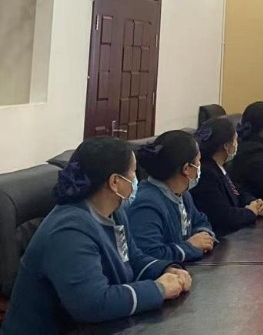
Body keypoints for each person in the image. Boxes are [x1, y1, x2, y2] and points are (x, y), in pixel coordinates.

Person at [1, 138, 191, 333]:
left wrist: (167, 270)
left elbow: (132, 259)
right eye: (133, 172)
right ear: (115, 182)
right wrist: (158, 289)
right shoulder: (69, 231)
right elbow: (92, 304)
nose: (137, 180)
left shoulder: (115, 213)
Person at [129, 131, 217, 264]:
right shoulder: (146, 204)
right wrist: (191, 247)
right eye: (198, 161)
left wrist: (204, 236)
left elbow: (201, 221)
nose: (200, 166)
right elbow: (149, 254)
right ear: (186, 168)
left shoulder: (183, 194)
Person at [190, 117, 263, 237]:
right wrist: (251, 212)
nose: (237, 143)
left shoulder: (221, 166)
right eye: (235, 139)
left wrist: (254, 202)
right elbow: (223, 216)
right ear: (226, 145)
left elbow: (237, 192)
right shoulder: (205, 174)